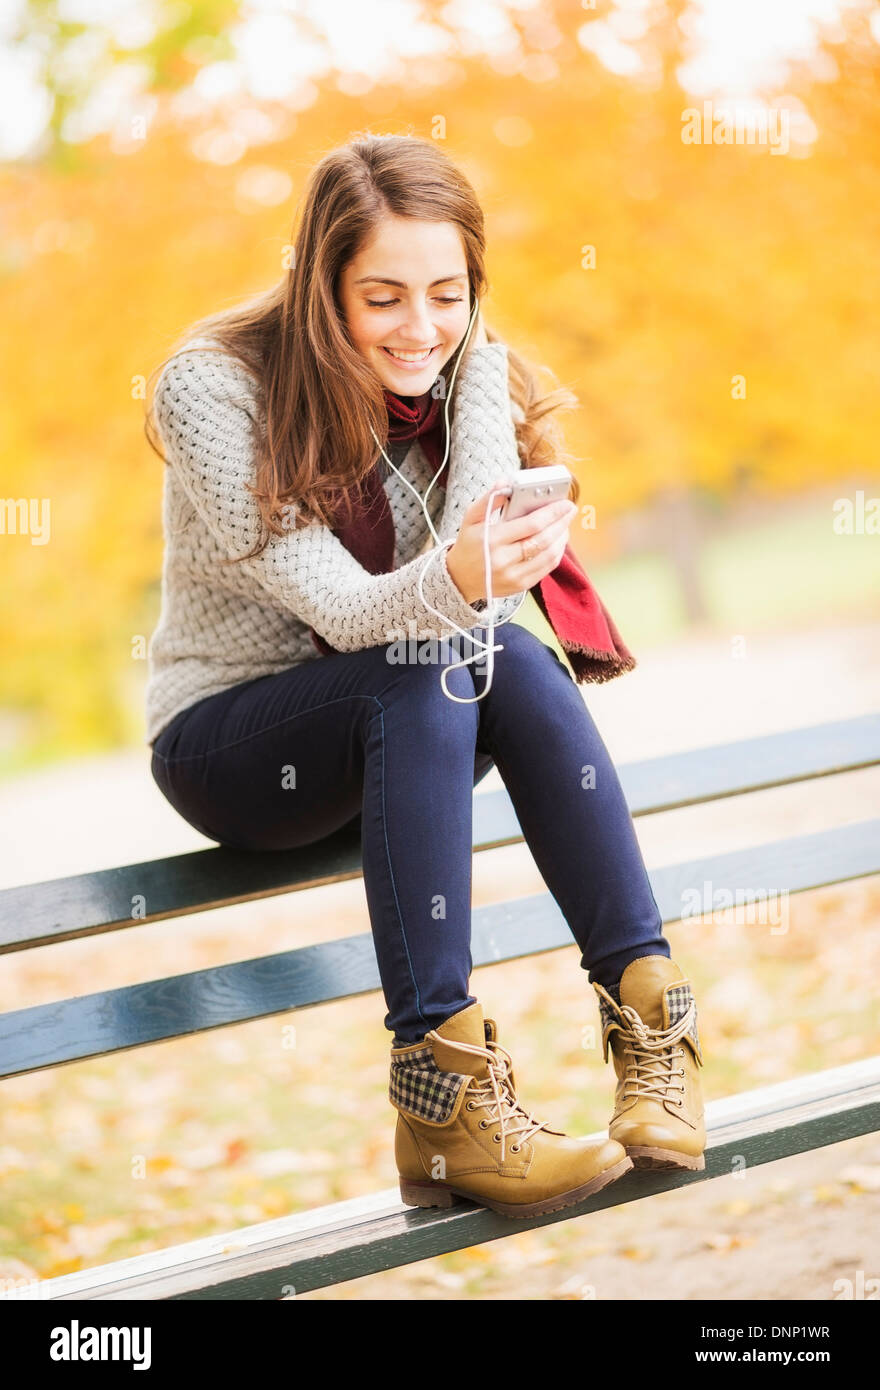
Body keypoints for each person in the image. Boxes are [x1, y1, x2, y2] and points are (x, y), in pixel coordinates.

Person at [143, 132, 705, 1221]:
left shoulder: (466, 368)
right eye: (384, 297)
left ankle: (653, 1029)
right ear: (322, 290)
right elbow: (352, 614)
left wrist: (483, 410)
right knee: (422, 666)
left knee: (493, 652)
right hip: (233, 744)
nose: (421, 329)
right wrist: (463, 570)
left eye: (448, 294)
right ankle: (442, 1099)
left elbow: (471, 613)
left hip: (403, 725)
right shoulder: (210, 388)